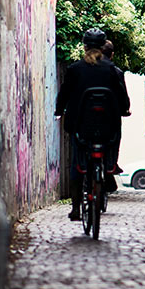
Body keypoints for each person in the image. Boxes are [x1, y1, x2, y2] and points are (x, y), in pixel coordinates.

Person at [55, 28, 130, 221]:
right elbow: (122, 97)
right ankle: (109, 166)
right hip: (107, 127)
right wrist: (124, 110)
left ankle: (75, 208)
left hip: (81, 126)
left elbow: (64, 95)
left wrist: (58, 110)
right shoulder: (113, 70)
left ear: (85, 46)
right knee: (111, 141)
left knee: (77, 162)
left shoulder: (74, 69)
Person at [100, 40, 126, 175]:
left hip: (86, 118)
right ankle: (111, 164)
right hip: (110, 117)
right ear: (112, 54)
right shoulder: (116, 72)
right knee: (115, 137)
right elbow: (122, 95)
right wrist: (125, 109)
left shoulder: (80, 68)